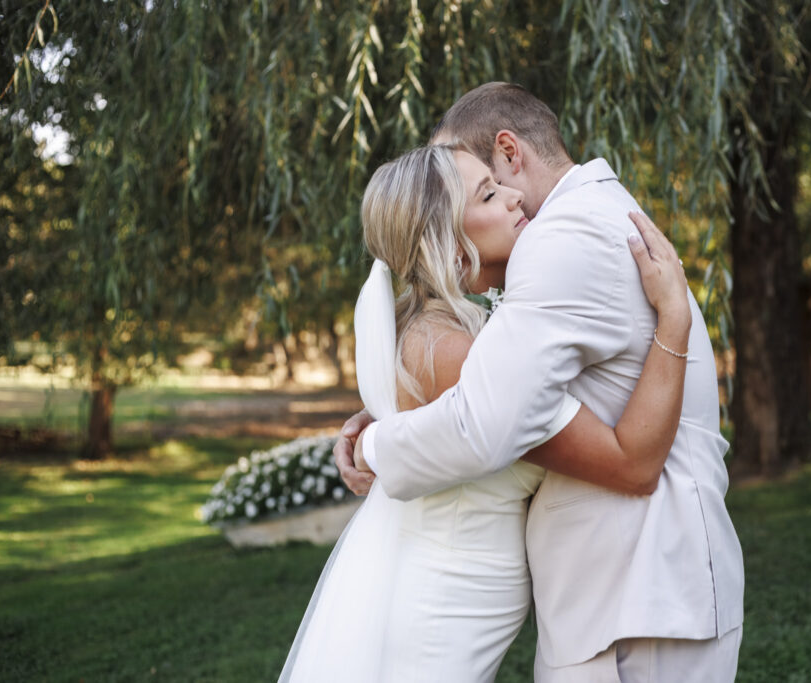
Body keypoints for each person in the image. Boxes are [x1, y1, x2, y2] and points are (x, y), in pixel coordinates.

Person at [339, 83, 745, 682]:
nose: (504, 198)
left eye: (489, 181)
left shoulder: (562, 239)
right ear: (448, 243)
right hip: (615, 600)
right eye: (483, 194)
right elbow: (490, 396)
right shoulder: (577, 227)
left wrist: (374, 447)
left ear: (508, 152)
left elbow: (483, 423)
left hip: (636, 593)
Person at [279, 143, 694, 682]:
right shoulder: (450, 353)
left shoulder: (432, 333)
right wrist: (674, 319)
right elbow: (631, 463)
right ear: (448, 242)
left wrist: (371, 427)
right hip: (437, 619)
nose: (516, 195)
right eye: (490, 194)